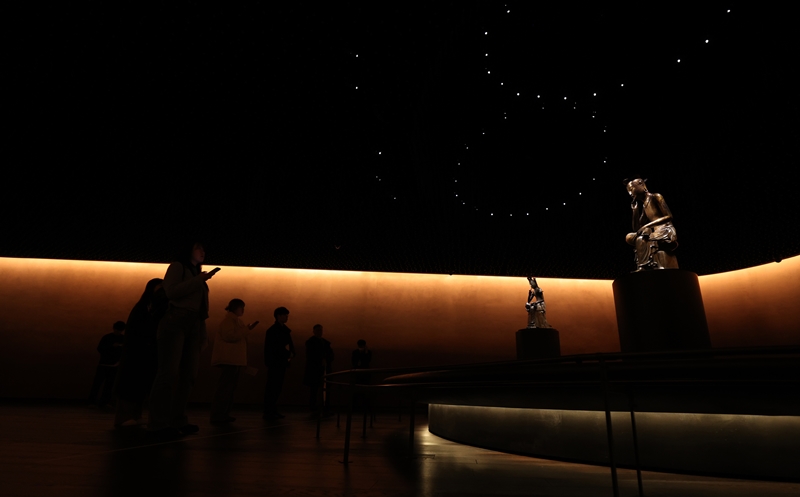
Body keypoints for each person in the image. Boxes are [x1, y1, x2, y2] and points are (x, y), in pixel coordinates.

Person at [147, 242, 217, 438]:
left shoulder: (196, 272)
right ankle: (158, 423)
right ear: (188, 251)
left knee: (189, 375)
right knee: (168, 373)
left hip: (193, 323)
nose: (203, 251)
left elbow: (201, 309)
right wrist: (199, 280)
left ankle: (177, 419)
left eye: (204, 248)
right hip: (176, 320)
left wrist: (202, 333)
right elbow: (171, 292)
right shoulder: (178, 266)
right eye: (198, 248)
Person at [114, 278, 168, 428]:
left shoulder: (146, 307)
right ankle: (126, 416)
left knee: (137, 384)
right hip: (138, 352)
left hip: (142, 352)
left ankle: (133, 415)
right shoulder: (145, 308)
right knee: (132, 384)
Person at [210, 298, 259, 424]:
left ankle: (223, 413)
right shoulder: (229, 321)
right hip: (230, 360)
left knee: (228, 388)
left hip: (232, 360)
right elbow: (230, 336)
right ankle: (219, 414)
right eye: (241, 307)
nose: (243, 310)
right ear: (235, 308)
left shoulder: (234, 321)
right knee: (225, 388)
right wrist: (246, 330)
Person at [624, 177, 679, 271]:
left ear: (641, 185)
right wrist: (635, 211)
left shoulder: (656, 196)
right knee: (629, 236)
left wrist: (647, 225)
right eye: (628, 191)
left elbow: (669, 216)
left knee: (642, 238)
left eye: (632, 188)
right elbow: (637, 228)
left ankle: (644, 265)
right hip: (655, 231)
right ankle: (643, 266)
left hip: (665, 229)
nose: (630, 193)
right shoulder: (644, 205)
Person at [263, 307, 294, 419]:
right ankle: (269, 410)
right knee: (273, 387)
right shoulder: (277, 330)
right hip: (277, 362)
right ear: (279, 316)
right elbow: (276, 348)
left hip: (277, 362)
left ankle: (270, 410)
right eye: (285, 315)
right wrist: (289, 354)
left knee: (275, 387)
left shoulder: (275, 330)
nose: (287, 317)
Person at [88, 321, 126, 407]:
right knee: (99, 384)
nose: (119, 332)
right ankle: (94, 402)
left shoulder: (114, 338)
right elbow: (100, 348)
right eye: (118, 330)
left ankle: (101, 402)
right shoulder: (108, 338)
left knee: (108, 385)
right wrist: (112, 347)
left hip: (112, 364)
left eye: (120, 330)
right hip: (106, 364)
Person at [303, 324, 333, 413]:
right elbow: (311, 355)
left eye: (321, 330)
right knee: (315, 389)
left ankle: (322, 407)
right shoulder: (311, 342)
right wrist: (322, 359)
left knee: (320, 389)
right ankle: (315, 407)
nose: (320, 332)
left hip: (322, 368)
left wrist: (326, 360)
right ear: (314, 331)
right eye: (318, 330)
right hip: (315, 369)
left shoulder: (323, 342)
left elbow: (331, 355)